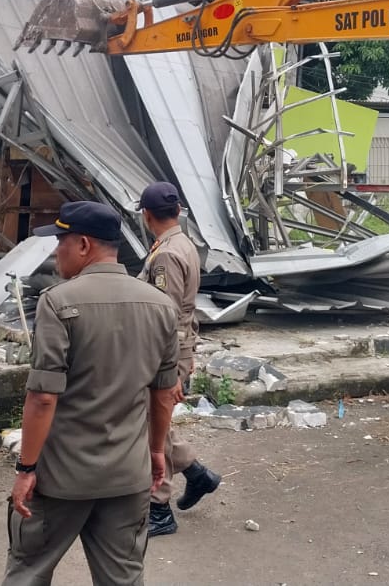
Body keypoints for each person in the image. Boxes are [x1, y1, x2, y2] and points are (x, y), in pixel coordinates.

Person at [3, 201, 180, 586]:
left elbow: (43, 397)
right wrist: (154, 452)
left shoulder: (59, 301)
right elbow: (164, 393)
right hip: (127, 475)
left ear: (83, 245)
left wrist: (26, 468)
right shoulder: (160, 305)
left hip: (61, 478)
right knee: (123, 578)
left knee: (28, 573)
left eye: (60, 242)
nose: (55, 251)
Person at [136, 182, 223, 537]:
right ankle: (199, 475)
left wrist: (169, 369)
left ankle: (159, 508)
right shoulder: (181, 244)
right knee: (157, 424)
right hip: (175, 350)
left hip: (164, 354)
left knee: (152, 428)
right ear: (178, 211)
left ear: (146, 215)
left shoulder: (168, 255)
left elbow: (165, 315)